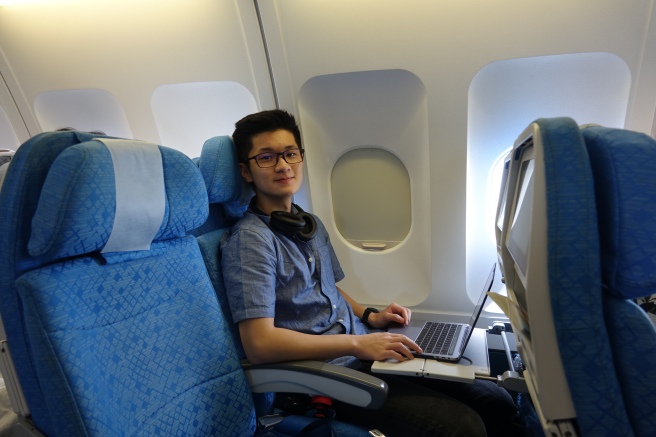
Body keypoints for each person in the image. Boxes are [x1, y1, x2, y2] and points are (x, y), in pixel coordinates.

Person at [220, 109, 523, 436]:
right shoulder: (250, 241)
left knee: (496, 399)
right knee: (464, 426)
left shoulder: (309, 224)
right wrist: (355, 345)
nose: (283, 165)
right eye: (266, 157)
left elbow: (331, 292)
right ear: (246, 172)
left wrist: (371, 315)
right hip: (323, 375)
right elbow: (260, 344)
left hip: (360, 351)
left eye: (290, 153)